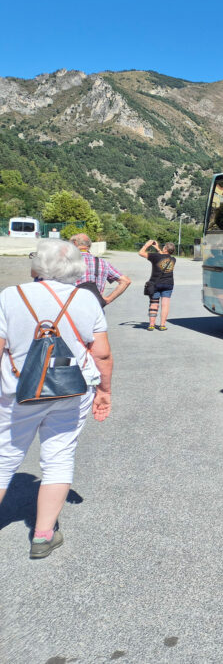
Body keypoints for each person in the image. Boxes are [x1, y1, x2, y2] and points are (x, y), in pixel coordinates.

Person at [0, 239, 113, 559]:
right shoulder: (87, 300)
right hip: (70, 391)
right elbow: (102, 354)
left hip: (17, 393)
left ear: (37, 265)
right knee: (59, 457)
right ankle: (43, 535)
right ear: (75, 267)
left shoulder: (10, 296)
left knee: (3, 458)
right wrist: (104, 391)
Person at [69, 233, 131, 306]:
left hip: (71, 308)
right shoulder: (102, 262)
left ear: (75, 243)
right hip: (95, 308)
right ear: (89, 246)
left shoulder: (66, 261)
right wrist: (108, 299)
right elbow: (126, 281)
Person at [138, 240, 176, 331]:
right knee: (165, 305)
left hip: (156, 284)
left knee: (154, 304)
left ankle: (151, 325)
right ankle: (162, 325)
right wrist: (158, 248)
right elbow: (163, 255)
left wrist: (146, 245)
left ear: (165, 248)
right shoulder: (173, 259)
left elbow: (141, 253)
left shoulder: (155, 257)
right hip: (168, 284)